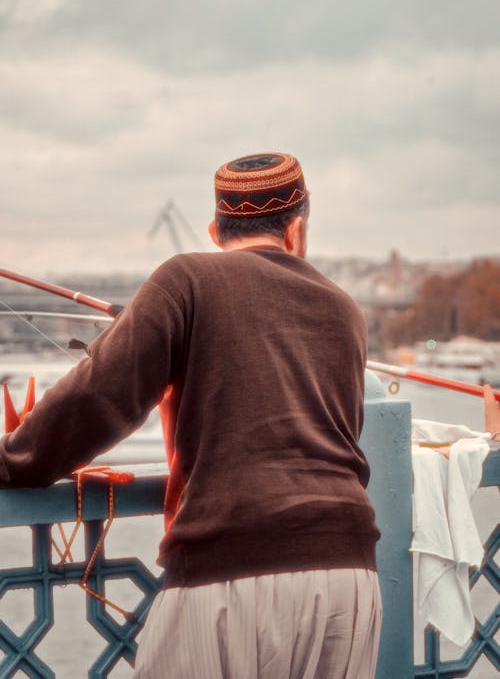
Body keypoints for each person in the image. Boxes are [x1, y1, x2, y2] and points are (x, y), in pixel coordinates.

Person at [0, 153, 383, 678]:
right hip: (351, 575)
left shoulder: (187, 278)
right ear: (297, 230)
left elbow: (101, 397)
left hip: (229, 565)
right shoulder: (345, 309)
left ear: (214, 229)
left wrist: (17, 457)